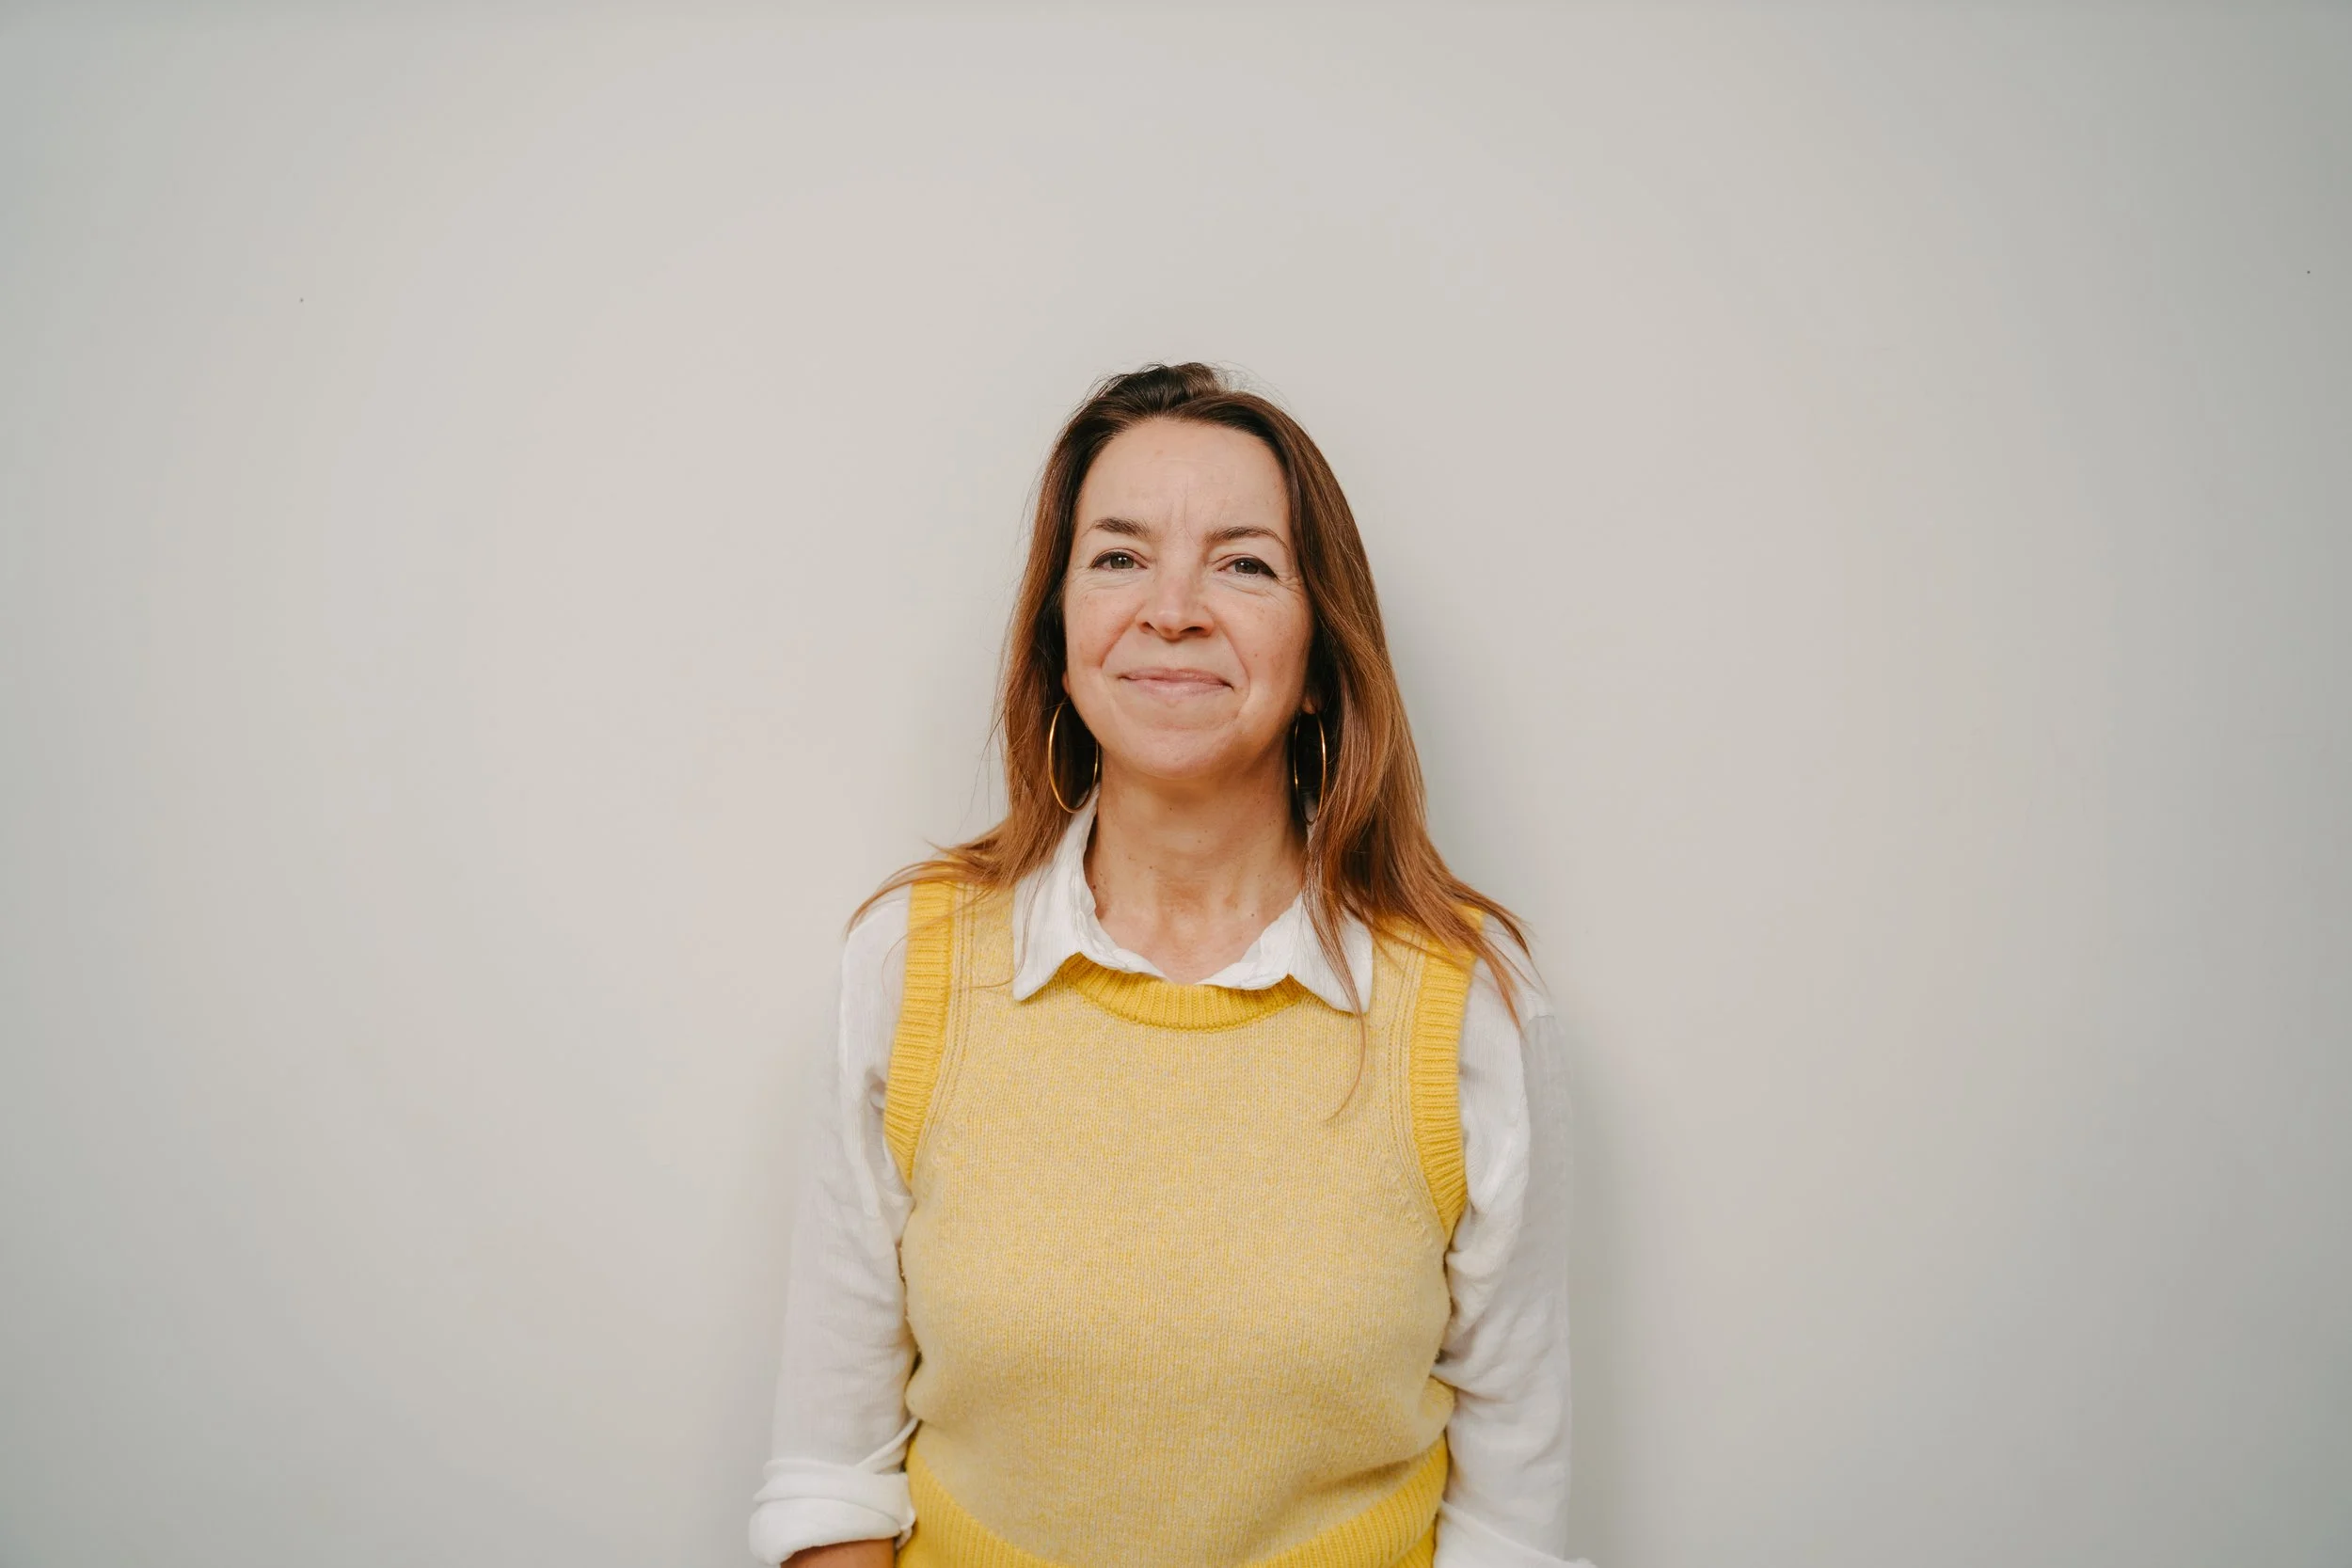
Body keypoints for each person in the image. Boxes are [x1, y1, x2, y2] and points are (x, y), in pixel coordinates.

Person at [749, 363, 1585, 1568]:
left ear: (1320, 645)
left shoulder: (1468, 1005)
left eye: (1243, 562)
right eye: (1118, 556)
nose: (1174, 608)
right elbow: (831, 1479)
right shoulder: (906, 965)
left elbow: (1509, 1528)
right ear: (1059, 628)